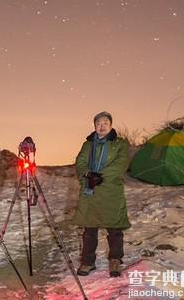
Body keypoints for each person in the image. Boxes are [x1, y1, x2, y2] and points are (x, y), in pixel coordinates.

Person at [72, 111, 130, 277]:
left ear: (111, 125)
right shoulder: (88, 144)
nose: (102, 126)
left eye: (105, 123)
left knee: (114, 228)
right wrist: (88, 174)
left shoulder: (119, 143)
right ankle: (88, 261)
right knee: (89, 228)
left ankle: (115, 260)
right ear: (94, 126)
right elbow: (80, 161)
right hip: (91, 188)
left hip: (111, 190)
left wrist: (101, 175)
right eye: (98, 123)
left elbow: (121, 163)